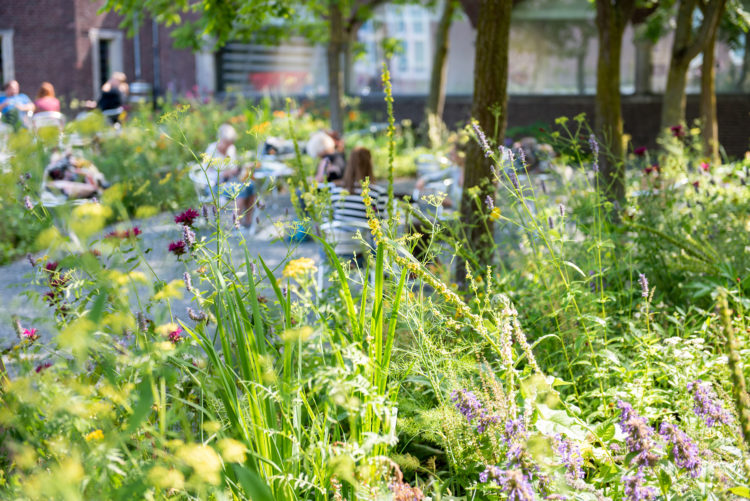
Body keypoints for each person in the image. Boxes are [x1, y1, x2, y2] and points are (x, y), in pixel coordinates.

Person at [202, 124, 256, 228]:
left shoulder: (231, 149)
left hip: (230, 182)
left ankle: (248, 222)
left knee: (251, 185)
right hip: (214, 186)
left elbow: (234, 169)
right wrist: (223, 173)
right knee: (241, 190)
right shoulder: (211, 150)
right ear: (220, 139)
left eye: (231, 143)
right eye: (227, 143)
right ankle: (237, 225)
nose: (229, 145)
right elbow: (207, 175)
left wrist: (243, 168)